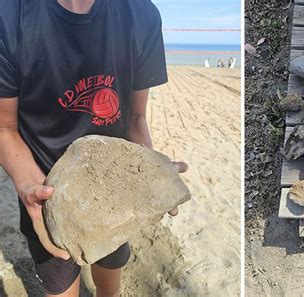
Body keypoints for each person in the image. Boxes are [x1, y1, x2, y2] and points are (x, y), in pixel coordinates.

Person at [0, 0, 187, 296]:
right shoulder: (9, 15)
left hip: (116, 192)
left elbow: (136, 118)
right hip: (47, 195)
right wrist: (28, 186)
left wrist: (150, 172)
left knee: (110, 275)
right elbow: (4, 127)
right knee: (60, 282)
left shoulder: (140, 15)